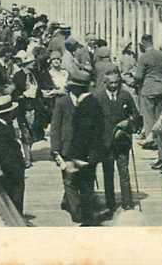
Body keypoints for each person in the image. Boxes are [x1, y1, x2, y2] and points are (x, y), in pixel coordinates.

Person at [63, 70, 109, 226]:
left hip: (86, 154)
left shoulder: (86, 106)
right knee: (86, 185)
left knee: (85, 187)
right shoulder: (92, 102)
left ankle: (88, 219)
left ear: (76, 88)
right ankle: (89, 217)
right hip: (91, 153)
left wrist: (74, 156)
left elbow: (83, 134)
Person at [94, 67, 139, 211]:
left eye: (117, 83)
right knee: (108, 173)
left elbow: (136, 116)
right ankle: (110, 203)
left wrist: (129, 122)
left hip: (122, 141)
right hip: (105, 142)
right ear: (105, 83)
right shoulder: (98, 97)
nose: (114, 86)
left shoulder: (125, 96)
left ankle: (127, 202)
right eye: (111, 83)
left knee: (124, 172)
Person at [49, 71, 81, 222]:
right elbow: (55, 127)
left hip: (83, 146)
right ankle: (75, 211)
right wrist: (55, 149)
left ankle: (67, 200)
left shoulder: (88, 101)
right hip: (66, 146)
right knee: (69, 178)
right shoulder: (62, 102)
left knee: (80, 176)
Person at [133, 34, 162, 149]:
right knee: (160, 116)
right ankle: (160, 141)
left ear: (143, 43)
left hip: (148, 88)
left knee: (148, 117)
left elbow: (138, 76)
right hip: (161, 88)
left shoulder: (144, 57)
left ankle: (150, 141)